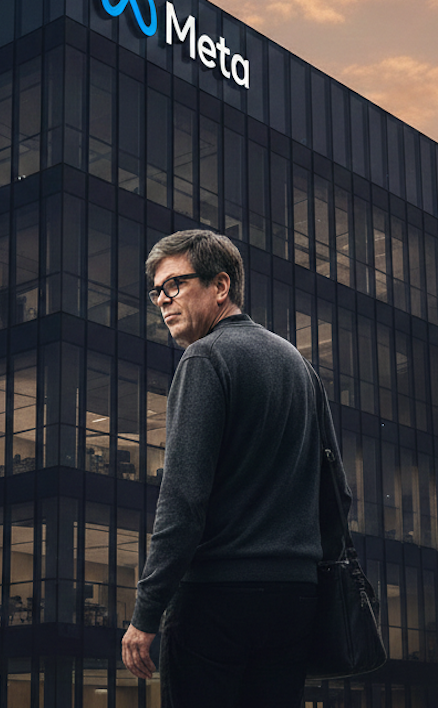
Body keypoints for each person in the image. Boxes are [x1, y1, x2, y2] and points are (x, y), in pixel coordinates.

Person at [121, 229, 336, 707]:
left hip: (219, 600)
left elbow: (182, 500)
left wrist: (146, 613)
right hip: (295, 599)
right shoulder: (299, 366)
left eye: (175, 285)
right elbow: (333, 491)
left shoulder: (205, 358)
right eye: (157, 290)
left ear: (221, 286)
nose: (162, 301)